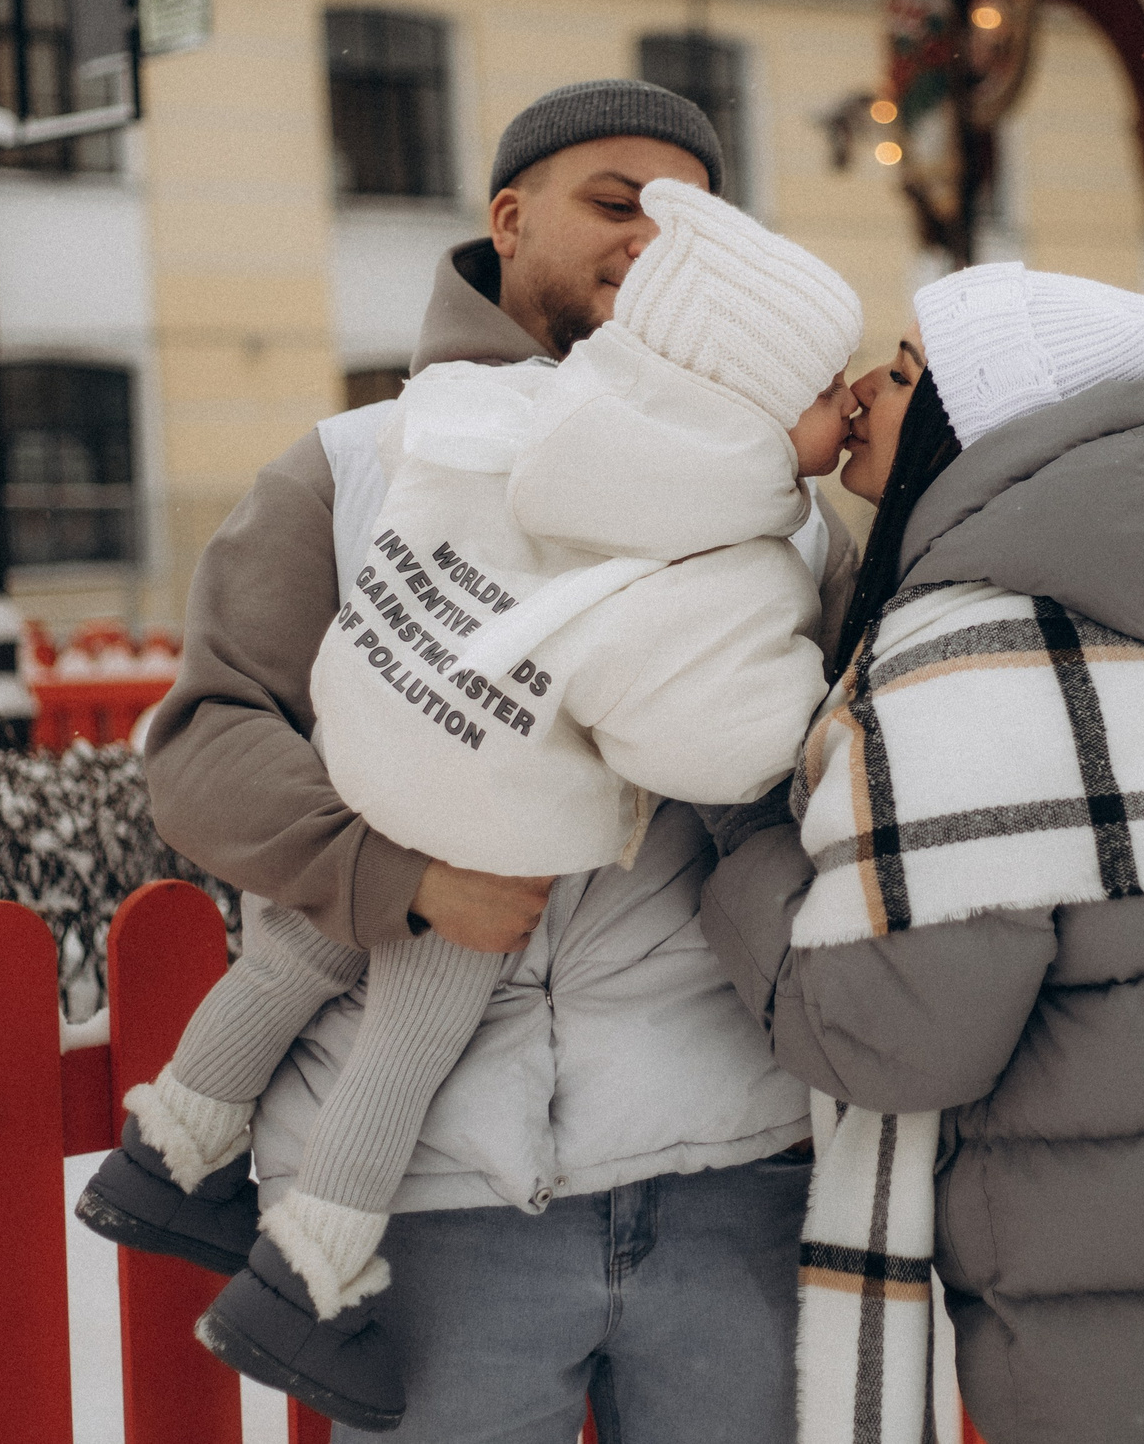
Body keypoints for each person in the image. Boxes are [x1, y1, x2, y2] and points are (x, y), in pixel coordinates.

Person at [140, 81, 859, 1444]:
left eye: (688, 222)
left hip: (727, 1170)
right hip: (426, 1201)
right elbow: (206, 745)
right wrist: (400, 874)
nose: (652, 238)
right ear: (508, 217)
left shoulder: (786, 527)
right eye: (615, 200)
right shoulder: (354, 469)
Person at [696, 264, 1144, 1444]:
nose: (863, 398)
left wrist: (736, 840)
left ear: (973, 429)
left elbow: (892, 1037)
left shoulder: (970, 671)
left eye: (900, 376)